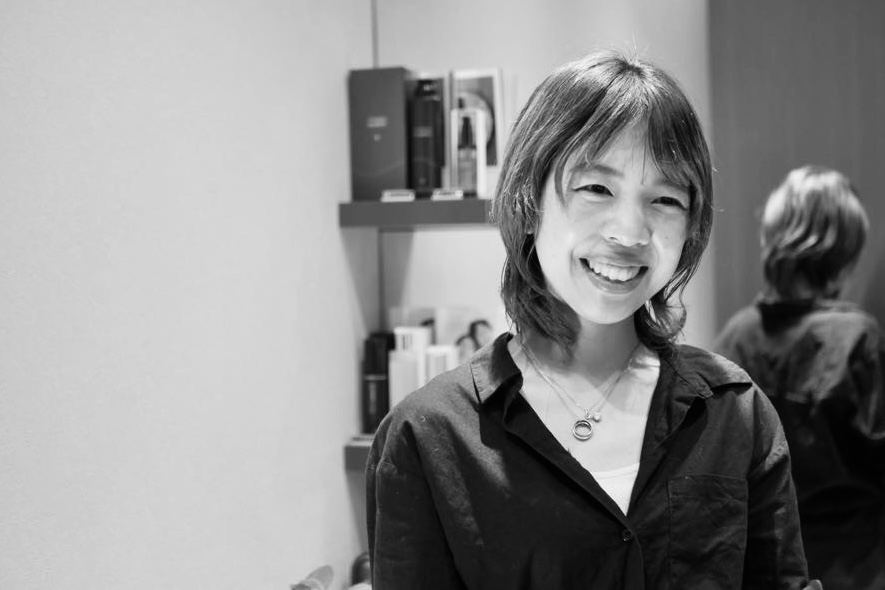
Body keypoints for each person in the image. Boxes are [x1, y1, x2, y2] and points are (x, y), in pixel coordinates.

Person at [366, 49, 816, 589]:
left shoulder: (733, 413)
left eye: (665, 199)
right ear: (528, 202)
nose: (629, 232)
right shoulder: (429, 435)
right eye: (597, 189)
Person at [714, 165, 885, 589]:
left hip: (765, 561)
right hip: (857, 564)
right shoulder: (857, 339)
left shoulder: (735, 337)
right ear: (843, 254)